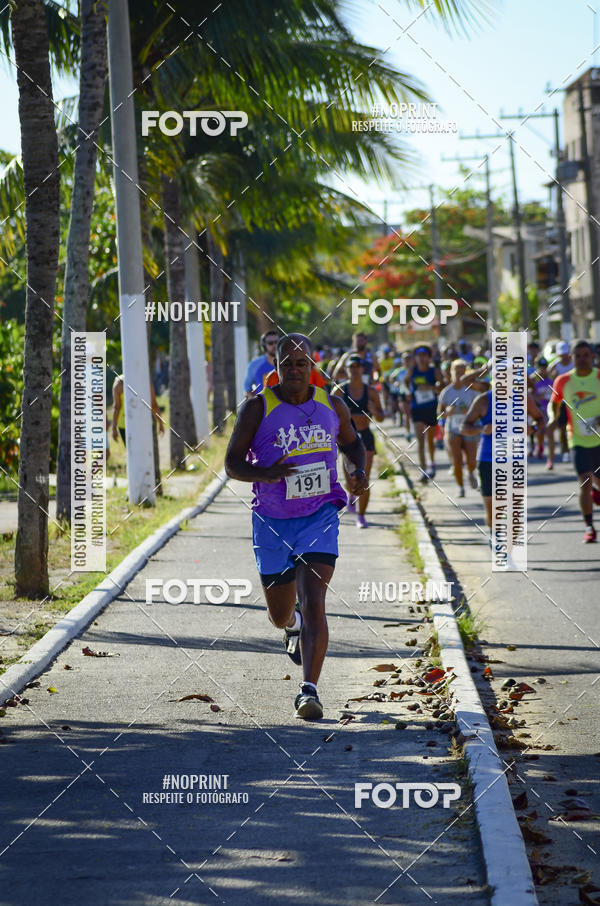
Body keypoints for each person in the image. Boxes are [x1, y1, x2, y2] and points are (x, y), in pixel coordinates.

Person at [224, 333, 368, 719]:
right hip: (272, 522)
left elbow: (354, 444)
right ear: (276, 365)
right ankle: (290, 626)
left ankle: (309, 691)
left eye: (301, 363)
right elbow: (232, 464)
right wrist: (267, 472)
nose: (294, 370)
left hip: (320, 515)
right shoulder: (258, 408)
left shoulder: (332, 405)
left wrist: (357, 470)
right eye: (287, 363)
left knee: (315, 601)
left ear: (312, 367)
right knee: (279, 614)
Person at [550, 340, 600, 542]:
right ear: (571, 358)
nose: (582, 359)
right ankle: (589, 526)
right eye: (577, 356)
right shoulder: (562, 381)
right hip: (577, 439)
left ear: (592, 357)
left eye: (585, 355)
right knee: (585, 483)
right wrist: (553, 419)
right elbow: (553, 404)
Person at [333, 353, 384, 528]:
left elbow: (382, 416)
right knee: (350, 479)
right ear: (347, 370)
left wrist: (374, 411)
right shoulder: (339, 390)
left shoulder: (370, 391)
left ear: (363, 369)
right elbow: (329, 415)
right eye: (351, 367)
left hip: (366, 437)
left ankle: (361, 516)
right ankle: (352, 494)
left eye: (357, 367)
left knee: (364, 477)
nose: (354, 371)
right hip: (347, 440)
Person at [437, 359, 479, 498]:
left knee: (472, 460)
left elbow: (480, 408)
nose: (459, 374)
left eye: (462, 371)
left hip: (469, 428)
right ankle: (461, 486)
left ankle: (470, 472)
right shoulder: (446, 392)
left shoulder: (472, 390)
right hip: (452, 428)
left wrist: (471, 411)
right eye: (457, 371)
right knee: (456, 461)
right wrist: (447, 412)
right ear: (451, 372)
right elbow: (439, 413)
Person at [406, 345, 443, 481]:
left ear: (428, 357)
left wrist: (432, 387)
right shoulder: (412, 370)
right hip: (417, 409)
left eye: (424, 356)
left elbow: (443, 386)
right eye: (418, 356)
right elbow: (405, 383)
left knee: (430, 441)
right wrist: (408, 392)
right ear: (415, 358)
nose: (421, 358)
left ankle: (431, 463)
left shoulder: (434, 371)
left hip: (431, 408)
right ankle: (423, 470)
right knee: (420, 440)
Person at [111, 373, 164, 445]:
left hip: (125, 425)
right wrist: (160, 423)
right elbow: (153, 404)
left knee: (131, 453)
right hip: (143, 423)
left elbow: (116, 407)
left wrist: (114, 428)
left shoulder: (118, 383)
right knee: (146, 452)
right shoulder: (145, 381)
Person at [243, 330, 279, 396]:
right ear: (264, 346)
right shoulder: (254, 365)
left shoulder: (287, 362)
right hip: (264, 405)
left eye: (276, 342)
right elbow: (247, 388)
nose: (274, 345)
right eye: (270, 343)